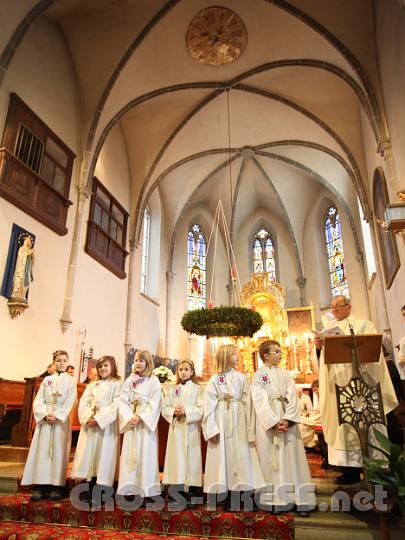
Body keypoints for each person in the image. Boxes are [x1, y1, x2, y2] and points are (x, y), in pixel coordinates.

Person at [316, 295, 398, 485]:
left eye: (339, 306)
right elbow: (326, 362)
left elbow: (374, 352)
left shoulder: (364, 325)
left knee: (369, 425)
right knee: (345, 427)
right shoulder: (328, 330)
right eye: (333, 307)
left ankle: (377, 469)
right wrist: (320, 348)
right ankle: (349, 471)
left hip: (364, 386)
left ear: (349, 307)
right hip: (341, 388)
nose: (334, 310)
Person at [252, 340, 316, 515]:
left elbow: (292, 396)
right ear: (266, 355)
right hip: (269, 425)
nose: (281, 354)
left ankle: (300, 499)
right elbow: (259, 400)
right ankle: (273, 499)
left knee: (292, 459)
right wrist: (273, 422)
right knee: (271, 461)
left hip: (288, 422)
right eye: (277, 352)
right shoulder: (259, 376)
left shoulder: (286, 373)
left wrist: (288, 419)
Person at [202, 343, 265, 511]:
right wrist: (211, 429)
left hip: (240, 422)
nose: (238, 356)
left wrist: (250, 429)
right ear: (224, 357)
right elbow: (208, 405)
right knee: (226, 458)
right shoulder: (215, 379)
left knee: (244, 456)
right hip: (221, 421)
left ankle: (246, 494)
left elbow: (248, 403)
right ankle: (229, 494)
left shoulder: (241, 377)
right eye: (234, 354)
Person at [21, 350, 77, 501]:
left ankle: (56, 487)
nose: (62, 363)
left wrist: (57, 415)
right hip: (45, 422)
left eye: (64, 360)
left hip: (60, 423)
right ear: (54, 362)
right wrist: (45, 414)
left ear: (67, 362)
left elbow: (70, 401)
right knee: (43, 453)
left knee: (58, 453)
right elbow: (38, 401)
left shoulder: (70, 381)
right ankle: (40, 486)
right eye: (58, 360)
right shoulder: (47, 380)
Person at [71, 356, 122, 501]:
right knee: (90, 455)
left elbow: (116, 404)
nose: (103, 369)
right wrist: (87, 417)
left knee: (103, 455)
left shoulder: (117, 384)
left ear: (112, 366)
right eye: (100, 366)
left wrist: (100, 419)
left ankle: (103, 488)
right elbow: (84, 402)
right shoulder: (93, 384)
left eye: (106, 365)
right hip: (91, 424)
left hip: (106, 426)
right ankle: (91, 484)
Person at [117, 349, 162, 503]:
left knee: (146, 454)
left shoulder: (153, 381)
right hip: (132, 422)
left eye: (141, 360)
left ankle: (147, 490)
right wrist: (130, 416)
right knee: (130, 455)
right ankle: (130, 490)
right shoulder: (129, 381)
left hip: (144, 424)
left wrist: (141, 416)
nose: (137, 363)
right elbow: (123, 400)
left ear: (148, 363)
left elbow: (155, 402)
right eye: (135, 360)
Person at [162, 360, 203, 507]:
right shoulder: (173, 389)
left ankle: (192, 491)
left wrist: (187, 411)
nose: (183, 372)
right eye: (180, 369)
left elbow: (201, 407)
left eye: (186, 369)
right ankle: (177, 492)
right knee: (176, 459)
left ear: (192, 372)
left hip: (190, 428)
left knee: (191, 458)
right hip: (176, 429)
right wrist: (173, 411)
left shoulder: (198, 389)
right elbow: (165, 407)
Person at [299, 380, 322, 450]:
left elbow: (318, 412)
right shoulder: (320, 396)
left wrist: (310, 415)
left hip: (320, 419)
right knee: (301, 421)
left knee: (302, 424)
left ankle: (306, 444)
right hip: (315, 416)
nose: (315, 392)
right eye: (314, 391)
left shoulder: (306, 398)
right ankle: (307, 444)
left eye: (316, 390)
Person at [10, 234, 34, 302]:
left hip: (27, 270)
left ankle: (23, 295)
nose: (30, 243)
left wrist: (32, 256)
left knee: (27, 282)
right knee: (20, 280)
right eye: (29, 241)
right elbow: (21, 257)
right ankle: (16, 294)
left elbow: (31, 262)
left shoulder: (29, 250)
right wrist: (28, 254)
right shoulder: (22, 249)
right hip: (22, 269)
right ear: (26, 241)